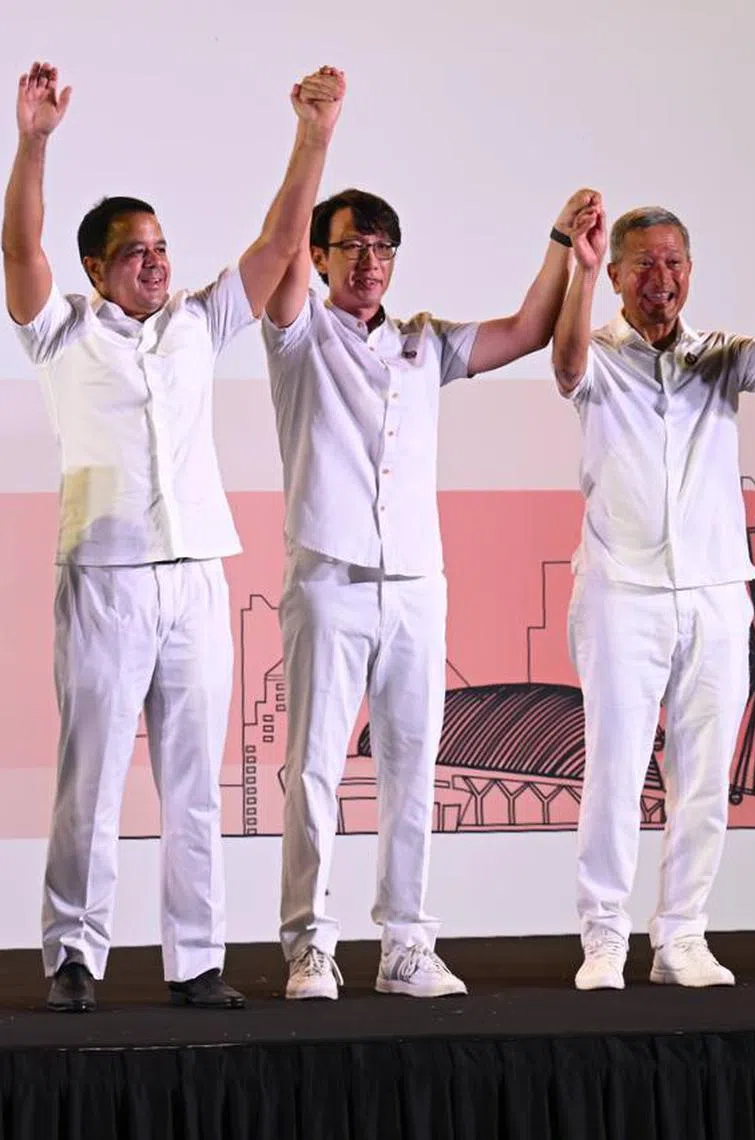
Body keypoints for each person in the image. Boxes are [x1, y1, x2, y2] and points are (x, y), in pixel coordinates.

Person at [2, 60, 345, 1011]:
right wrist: (33, 141)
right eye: (135, 250)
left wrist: (313, 137)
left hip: (196, 575)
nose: (156, 260)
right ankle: (74, 955)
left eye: (160, 246)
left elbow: (282, 244)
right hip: (105, 578)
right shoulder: (62, 331)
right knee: (93, 777)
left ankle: (196, 961)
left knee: (196, 783)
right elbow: (19, 248)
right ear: (97, 268)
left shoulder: (198, 323)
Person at [262, 181, 598, 1000]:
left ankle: (406, 944)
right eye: (351, 247)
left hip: (416, 581)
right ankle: (309, 945)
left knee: (413, 767)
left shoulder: (423, 341)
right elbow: (278, 256)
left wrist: (562, 243)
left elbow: (525, 329)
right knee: (314, 768)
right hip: (329, 578)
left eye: (383, 249)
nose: (370, 264)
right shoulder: (298, 333)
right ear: (319, 256)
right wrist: (314, 134)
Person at [552, 199, 755, 989]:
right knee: (614, 771)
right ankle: (604, 939)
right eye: (643, 263)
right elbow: (566, 364)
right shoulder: (599, 353)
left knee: (704, 776)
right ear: (614, 276)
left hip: (717, 591)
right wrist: (575, 270)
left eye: (675, 262)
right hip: (621, 591)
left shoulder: (720, 356)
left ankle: (682, 935)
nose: (661, 277)